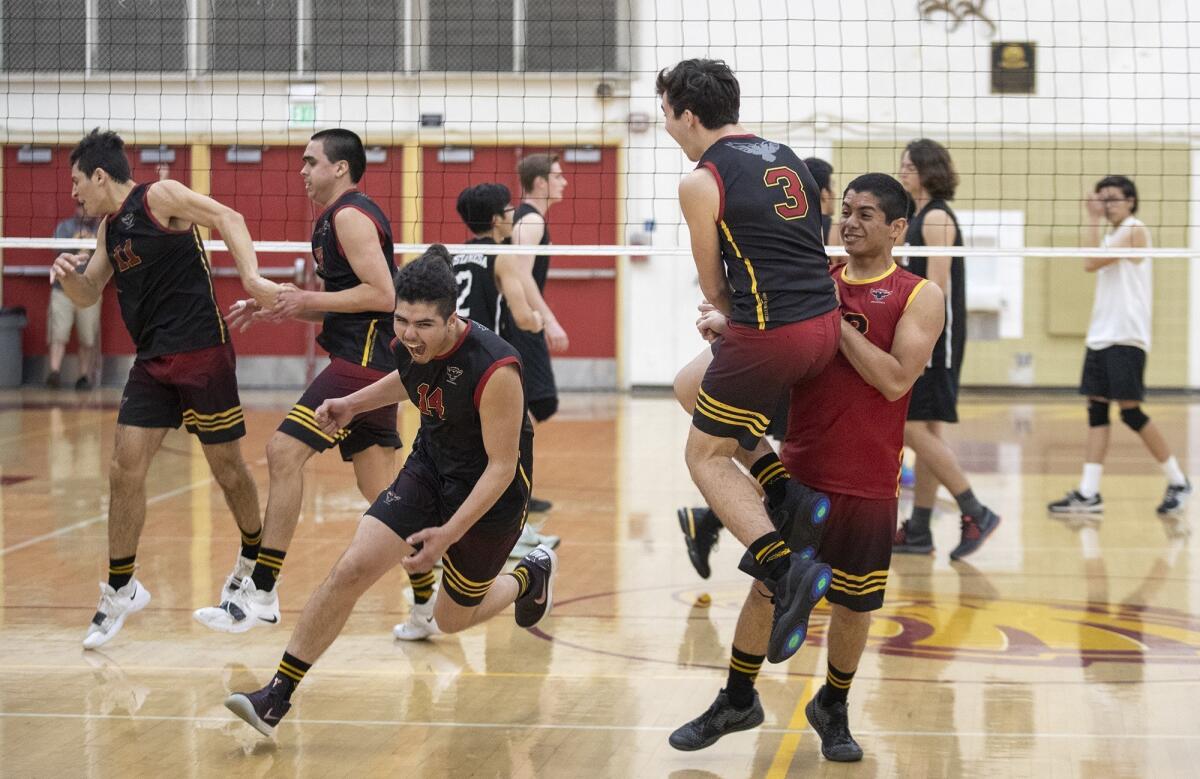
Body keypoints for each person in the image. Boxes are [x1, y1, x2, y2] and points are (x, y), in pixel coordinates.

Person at [224, 246, 558, 738]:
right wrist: (352, 405)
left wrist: (446, 535)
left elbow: (502, 469)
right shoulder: (406, 343)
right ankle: (278, 694)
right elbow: (408, 379)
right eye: (402, 320)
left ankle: (530, 577)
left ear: (452, 320)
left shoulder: (496, 369)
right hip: (428, 471)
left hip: (489, 500)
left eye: (423, 325)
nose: (408, 334)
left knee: (450, 620)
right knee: (352, 568)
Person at [670, 174, 943, 760]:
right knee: (769, 587)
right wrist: (729, 328)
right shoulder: (815, 280)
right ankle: (737, 698)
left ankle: (833, 706)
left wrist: (833, 323)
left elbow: (896, 380)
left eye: (866, 214)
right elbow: (774, 339)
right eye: (846, 210)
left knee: (855, 603)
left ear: (897, 228)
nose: (850, 222)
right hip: (801, 473)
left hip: (868, 475)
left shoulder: (918, 295)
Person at [51, 128, 277, 649]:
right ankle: (120, 588)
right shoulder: (109, 231)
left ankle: (253, 558)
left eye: (77, 182)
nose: (73, 193)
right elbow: (89, 293)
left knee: (228, 470)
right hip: (152, 363)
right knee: (122, 467)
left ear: (100, 175)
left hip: (202, 351)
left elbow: (230, 218)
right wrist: (68, 278)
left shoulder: (160, 196)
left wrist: (251, 279)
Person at [659, 58, 841, 664]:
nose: (665, 127)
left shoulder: (700, 181)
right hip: (824, 326)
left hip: (775, 335)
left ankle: (783, 569)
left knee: (701, 455)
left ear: (688, 115)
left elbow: (712, 284)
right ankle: (781, 489)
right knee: (690, 385)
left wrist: (727, 318)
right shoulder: (783, 152)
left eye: (665, 114)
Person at [193, 129, 410, 634]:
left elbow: (383, 296)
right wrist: (282, 308)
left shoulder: (349, 216)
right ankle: (427, 600)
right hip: (368, 360)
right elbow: (346, 308)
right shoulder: (330, 221)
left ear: (340, 168)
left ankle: (262, 592)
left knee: (283, 453)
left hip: (361, 363)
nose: (302, 171)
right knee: (388, 499)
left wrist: (305, 299)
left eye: (311, 162)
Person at [1048, 175, 1190, 515]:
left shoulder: (1135, 230)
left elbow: (1089, 262)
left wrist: (1093, 217)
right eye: (1102, 198)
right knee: (1097, 412)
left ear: (1130, 200)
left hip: (1126, 336)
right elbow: (1094, 259)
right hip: (1101, 336)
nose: (1106, 204)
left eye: (1111, 198)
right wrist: (1098, 220)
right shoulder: (1115, 234)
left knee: (1131, 412)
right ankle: (1089, 493)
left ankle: (1178, 480)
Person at [892, 138, 1000, 560]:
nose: (902, 172)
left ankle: (975, 509)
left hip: (935, 337)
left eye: (908, 166)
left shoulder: (936, 216)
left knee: (910, 427)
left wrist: (921, 342)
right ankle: (919, 531)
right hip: (927, 334)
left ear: (926, 171)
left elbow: (936, 285)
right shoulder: (919, 216)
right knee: (929, 431)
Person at [504, 154, 569, 554]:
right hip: (522, 322)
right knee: (535, 404)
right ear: (540, 183)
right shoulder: (531, 219)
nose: (565, 183)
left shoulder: (525, 217)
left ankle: (512, 483)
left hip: (521, 320)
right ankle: (505, 481)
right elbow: (519, 273)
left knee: (536, 404)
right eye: (558, 177)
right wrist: (547, 320)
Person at [451, 182, 543, 335]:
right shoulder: (503, 257)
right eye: (509, 208)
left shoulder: (451, 254)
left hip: (453, 347)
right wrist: (536, 321)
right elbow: (523, 318)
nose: (514, 212)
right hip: (486, 350)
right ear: (496, 220)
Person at [47, 203, 101, 389]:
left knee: (88, 337)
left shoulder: (102, 229)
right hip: (62, 290)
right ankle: (54, 373)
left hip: (89, 289)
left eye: (86, 206)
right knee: (58, 334)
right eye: (80, 206)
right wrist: (75, 241)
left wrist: (91, 242)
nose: (84, 210)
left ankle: (83, 377)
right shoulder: (65, 227)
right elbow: (55, 250)